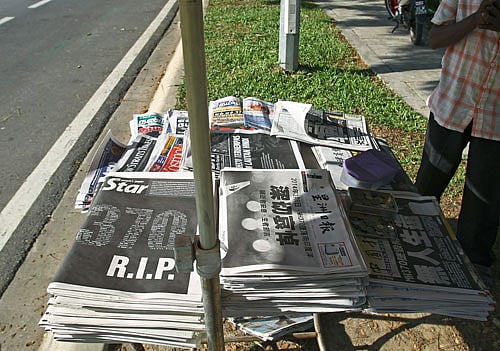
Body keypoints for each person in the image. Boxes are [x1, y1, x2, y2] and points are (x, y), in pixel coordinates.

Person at [415, 0, 499, 287]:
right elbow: (435, 38)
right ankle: (412, 238)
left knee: (485, 197)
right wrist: (475, 19)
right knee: (428, 184)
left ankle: (473, 267)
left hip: (496, 117)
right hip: (453, 102)